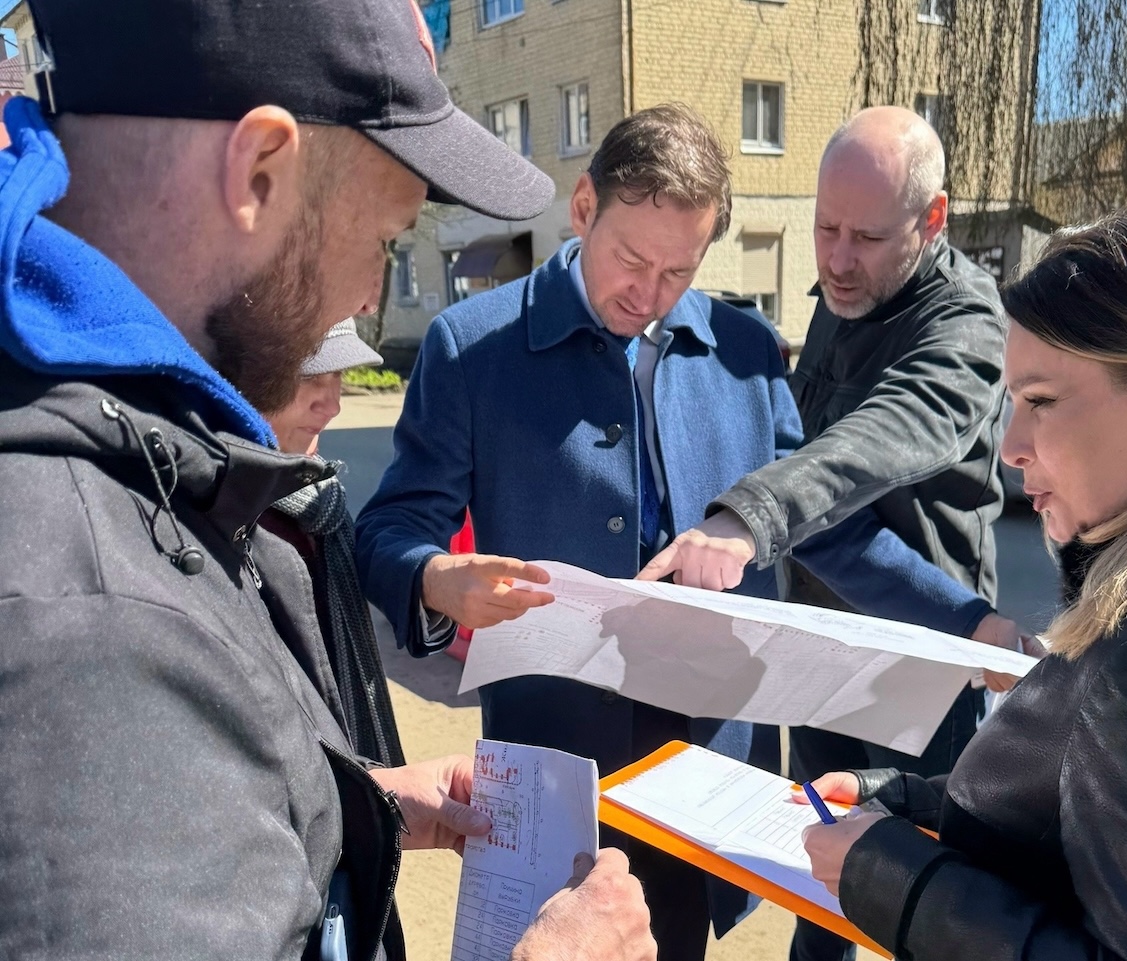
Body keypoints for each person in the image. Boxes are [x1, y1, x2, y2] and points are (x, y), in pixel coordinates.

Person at [0, 0, 655, 958]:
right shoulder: (87, 619)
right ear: (261, 170)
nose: (365, 297)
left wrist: (343, 807)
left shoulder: (125, 442)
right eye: (385, 238)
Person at [354, 103, 1018, 960]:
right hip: (555, 769)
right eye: (632, 259)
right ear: (584, 208)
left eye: (680, 270)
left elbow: (824, 531)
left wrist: (968, 620)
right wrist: (433, 578)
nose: (650, 292)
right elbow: (390, 527)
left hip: (702, 775)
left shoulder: (744, 351)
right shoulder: (472, 346)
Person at [801, 190, 1127, 960]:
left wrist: (895, 879)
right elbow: (1097, 811)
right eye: (1011, 401)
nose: (1011, 444)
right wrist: (917, 803)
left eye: (1043, 401)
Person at [639, 108, 1014, 961]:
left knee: (934, 897)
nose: (838, 260)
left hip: (922, 663)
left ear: (933, 219)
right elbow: (800, 435)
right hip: (819, 648)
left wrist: (750, 515)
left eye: (868, 238)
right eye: (825, 228)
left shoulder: (965, 326)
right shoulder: (845, 296)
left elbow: (874, 439)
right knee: (818, 874)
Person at [261, 318, 455, 768]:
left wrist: (433, 581)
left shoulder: (318, 499)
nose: (332, 405)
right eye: (309, 375)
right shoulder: (220, 520)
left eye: (339, 376)